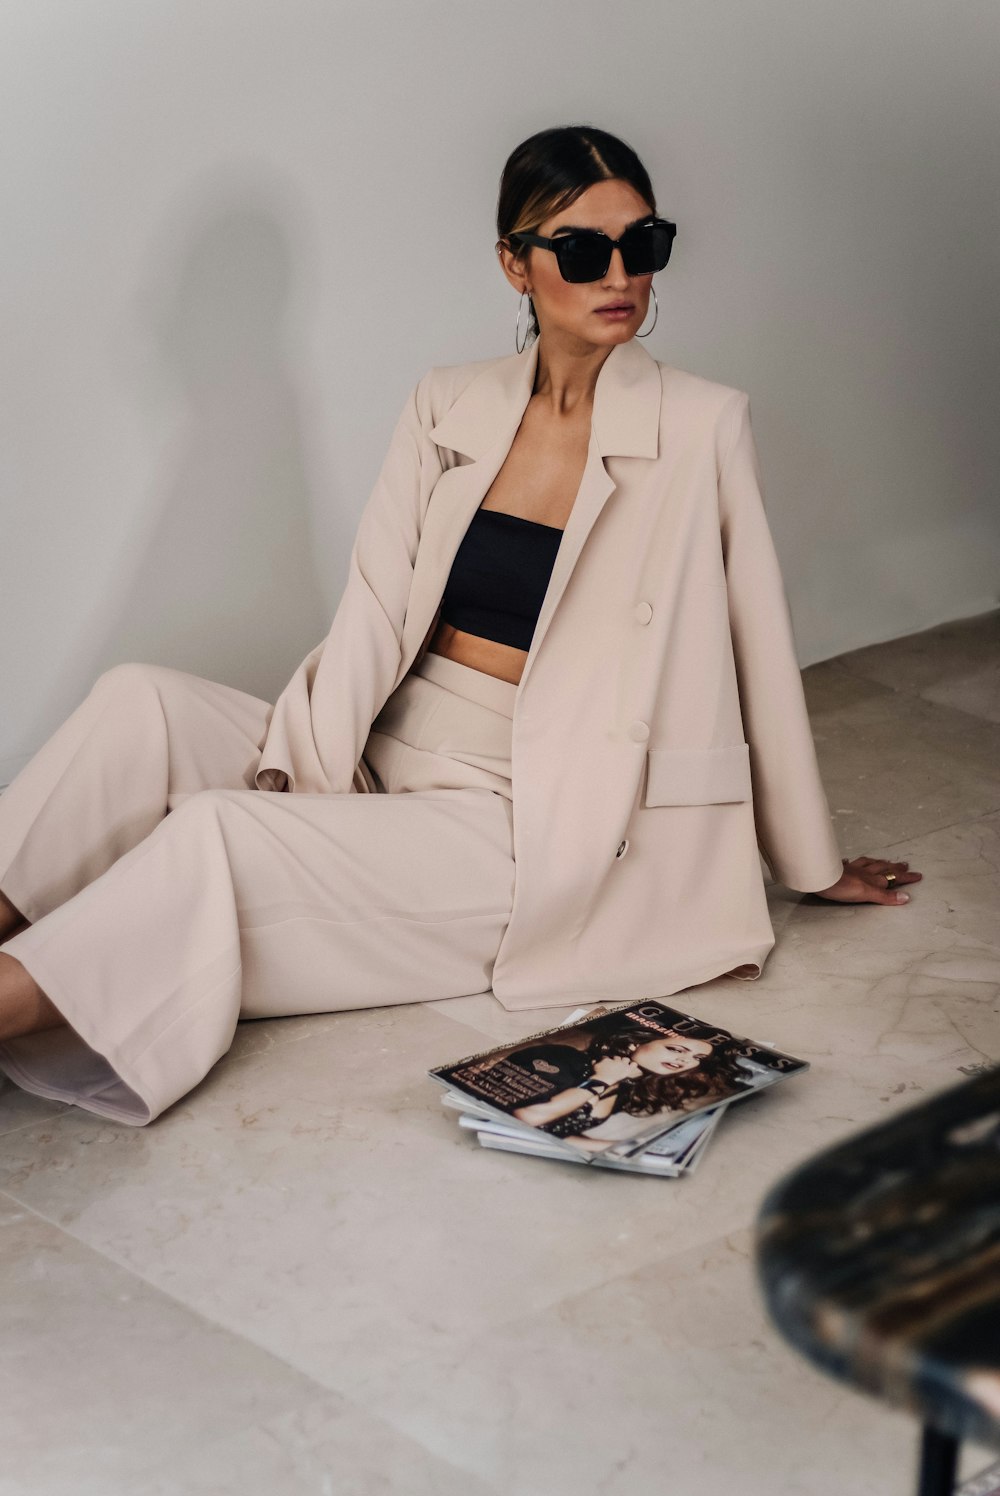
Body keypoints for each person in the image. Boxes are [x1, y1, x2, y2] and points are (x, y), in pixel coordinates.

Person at [0, 124, 922, 1127]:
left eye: (641, 244)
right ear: (514, 265)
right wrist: (309, 787)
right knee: (140, 701)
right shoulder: (448, 404)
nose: (617, 274)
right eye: (579, 249)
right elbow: (373, 609)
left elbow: (757, 649)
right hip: (392, 746)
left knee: (224, 835)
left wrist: (810, 864)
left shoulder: (702, 425)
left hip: (533, 814)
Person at [508, 1021, 753, 1144]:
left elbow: (557, 1131)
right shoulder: (562, 1058)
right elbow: (529, 1118)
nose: (685, 1060)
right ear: (635, 1043)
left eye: (697, 1058)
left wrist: (621, 1149)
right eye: (676, 1048)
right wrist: (603, 1079)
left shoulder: (628, 1087)